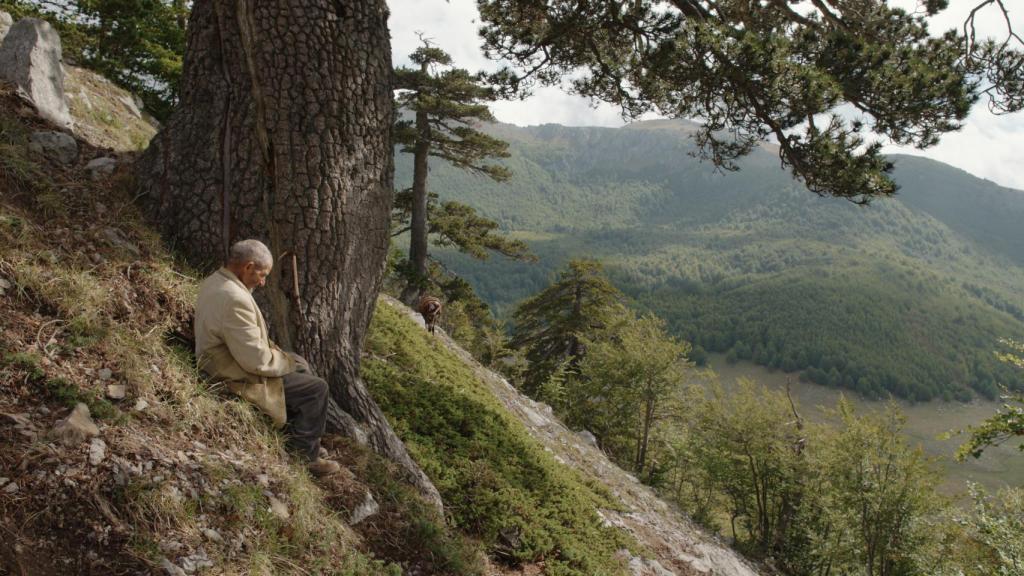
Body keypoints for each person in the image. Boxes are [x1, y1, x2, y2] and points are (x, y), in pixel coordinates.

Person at [194, 239, 341, 477]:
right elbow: (256, 361)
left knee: (301, 365)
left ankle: (304, 436)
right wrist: (286, 362)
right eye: (261, 275)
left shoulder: (215, 281)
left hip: (224, 356)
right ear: (248, 267)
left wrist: (289, 361)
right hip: (229, 370)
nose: (262, 282)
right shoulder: (235, 299)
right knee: (316, 389)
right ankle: (304, 457)